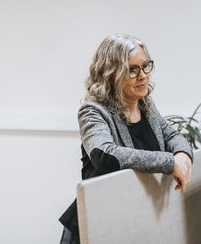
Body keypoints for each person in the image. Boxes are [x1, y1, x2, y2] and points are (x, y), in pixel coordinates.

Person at [59, 34, 193, 244]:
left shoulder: (145, 104)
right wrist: (170, 163)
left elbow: (172, 135)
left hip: (137, 215)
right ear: (111, 73)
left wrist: (183, 155)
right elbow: (105, 155)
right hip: (100, 222)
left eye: (145, 66)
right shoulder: (93, 112)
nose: (143, 76)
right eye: (132, 69)